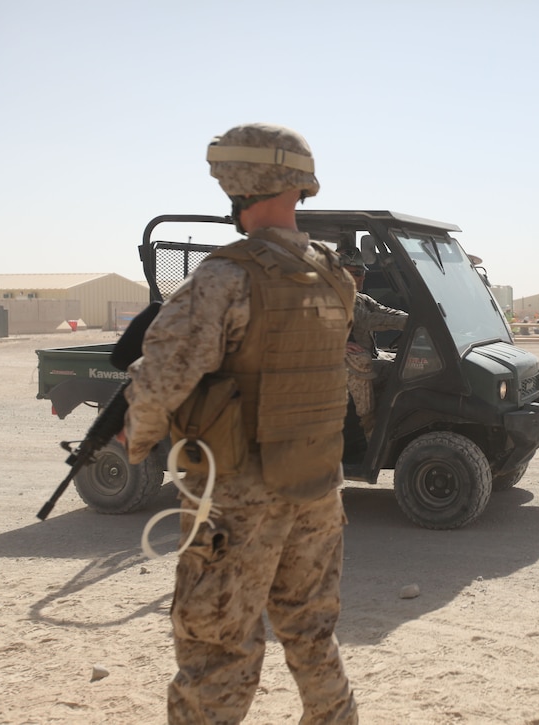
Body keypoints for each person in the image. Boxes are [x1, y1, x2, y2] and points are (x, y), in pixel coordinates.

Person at [122, 122, 359, 724]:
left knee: (217, 647)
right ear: (297, 185)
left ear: (237, 183)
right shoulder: (335, 277)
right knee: (310, 631)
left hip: (239, 501)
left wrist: (137, 437)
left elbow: (162, 378)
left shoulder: (224, 278)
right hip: (316, 487)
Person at [342, 248, 408, 441]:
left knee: (406, 364)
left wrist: (413, 318)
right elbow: (369, 320)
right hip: (343, 363)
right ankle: (371, 433)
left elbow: (385, 312)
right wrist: (410, 323)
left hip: (367, 355)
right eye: (357, 273)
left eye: (363, 272)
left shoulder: (360, 298)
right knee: (393, 370)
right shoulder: (336, 299)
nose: (362, 278)